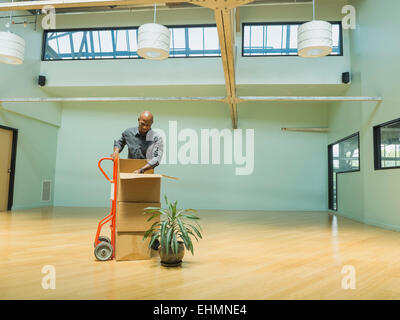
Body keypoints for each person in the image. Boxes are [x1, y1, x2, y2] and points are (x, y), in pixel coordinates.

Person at [111, 110, 163, 250]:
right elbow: (120, 142)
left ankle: (153, 239)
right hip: (130, 175)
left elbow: (157, 158)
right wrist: (116, 151)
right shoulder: (129, 132)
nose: (145, 127)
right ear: (138, 120)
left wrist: (142, 169)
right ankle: (128, 234)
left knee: (148, 207)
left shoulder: (156, 137)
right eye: (142, 124)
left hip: (147, 175)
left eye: (148, 125)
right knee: (130, 205)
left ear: (152, 124)